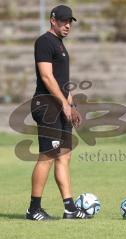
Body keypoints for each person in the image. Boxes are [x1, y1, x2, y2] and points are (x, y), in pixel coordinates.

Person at [26, 5, 90, 220]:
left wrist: (71, 106)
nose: (67, 25)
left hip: (61, 106)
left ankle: (69, 208)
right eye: (63, 21)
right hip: (46, 107)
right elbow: (46, 77)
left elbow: (62, 83)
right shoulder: (44, 41)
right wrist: (63, 104)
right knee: (48, 156)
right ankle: (33, 209)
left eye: (70, 21)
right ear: (53, 20)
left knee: (64, 156)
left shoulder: (60, 45)